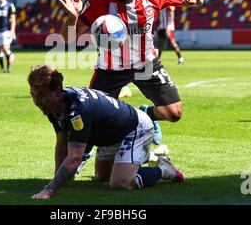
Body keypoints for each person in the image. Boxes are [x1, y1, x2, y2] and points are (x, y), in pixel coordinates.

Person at [58, 0, 203, 138]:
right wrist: (73, 17)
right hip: (110, 69)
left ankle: (145, 114)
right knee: (96, 122)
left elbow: (192, 0)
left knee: (173, 113)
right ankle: (83, 154)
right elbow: (67, 38)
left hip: (145, 63)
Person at [28, 65, 184, 200]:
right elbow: (61, 144)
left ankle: (164, 169)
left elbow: (75, 157)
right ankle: (148, 156)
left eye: (41, 95)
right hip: (110, 135)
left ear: (57, 91)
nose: (37, 102)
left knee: (120, 183)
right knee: (103, 177)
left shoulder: (77, 110)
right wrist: (58, 179)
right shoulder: (54, 104)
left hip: (135, 128)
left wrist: (49, 189)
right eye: (33, 96)